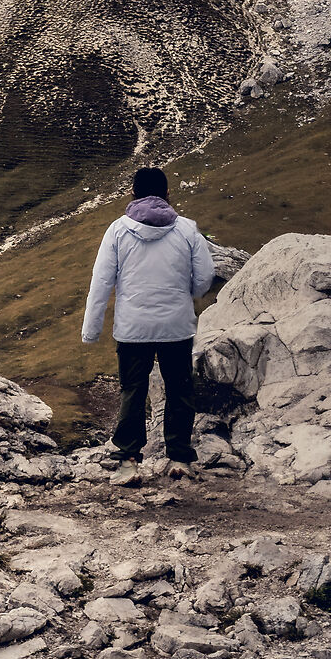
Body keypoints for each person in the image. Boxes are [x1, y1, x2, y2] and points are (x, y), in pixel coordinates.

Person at [81, 164, 216, 470]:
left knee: (133, 389)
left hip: (133, 328)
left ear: (133, 193)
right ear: (167, 193)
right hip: (176, 326)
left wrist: (91, 331)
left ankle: (129, 458)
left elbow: (101, 282)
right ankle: (179, 457)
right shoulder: (187, 229)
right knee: (179, 389)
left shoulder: (117, 230)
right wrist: (187, 293)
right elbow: (205, 276)